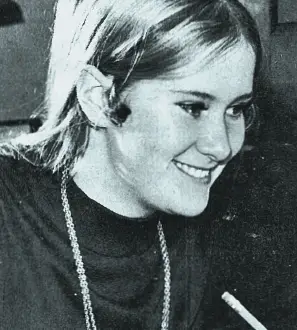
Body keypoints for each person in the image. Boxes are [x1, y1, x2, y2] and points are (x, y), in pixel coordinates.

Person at [0, 0, 262, 328]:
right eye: (192, 107)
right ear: (100, 98)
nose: (221, 146)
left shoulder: (222, 228)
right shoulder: (9, 213)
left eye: (236, 109)